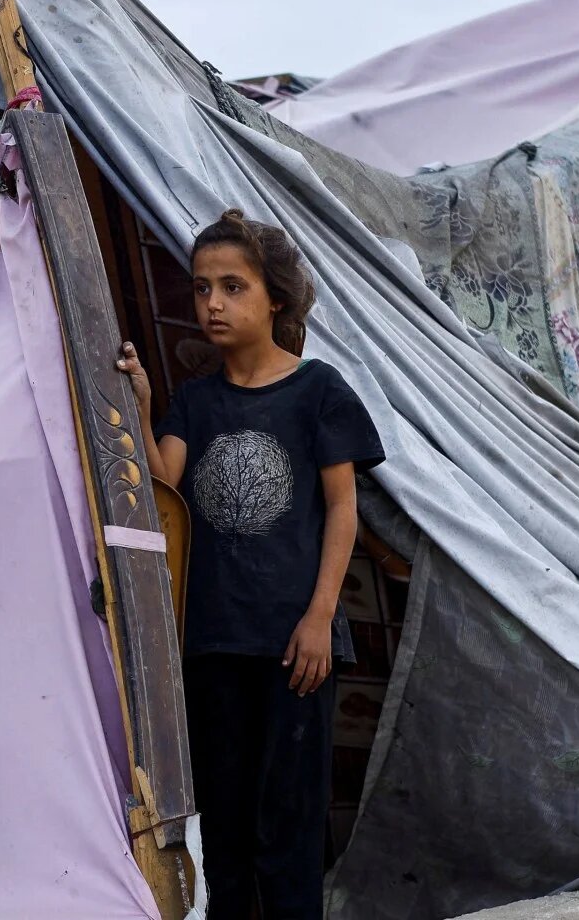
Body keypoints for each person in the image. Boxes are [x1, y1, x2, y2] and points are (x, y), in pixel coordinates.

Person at [117, 209, 384, 919]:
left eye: (233, 287)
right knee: (226, 834)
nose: (212, 304)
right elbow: (159, 488)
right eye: (202, 289)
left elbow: (343, 509)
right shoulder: (197, 403)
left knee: (288, 830)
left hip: (296, 646)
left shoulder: (318, 391)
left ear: (276, 299)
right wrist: (144, 409)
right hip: (214, 646)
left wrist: (321, 618)